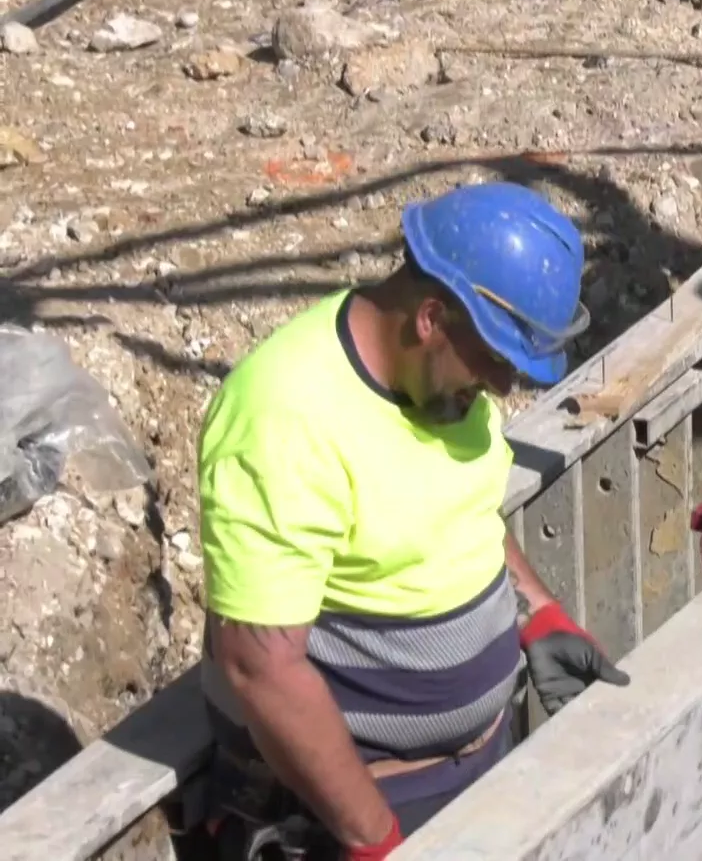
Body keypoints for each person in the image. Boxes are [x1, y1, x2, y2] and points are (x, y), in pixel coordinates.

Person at [195, 182, 631, 859]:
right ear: (431, 317)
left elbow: (464, 513)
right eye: (496, 363)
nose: (503, 389)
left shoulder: (440, 386)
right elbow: (261, 668)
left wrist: (536, 614)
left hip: (479, 771)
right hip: (370, 807)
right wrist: (374, 840)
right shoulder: (285, 417)